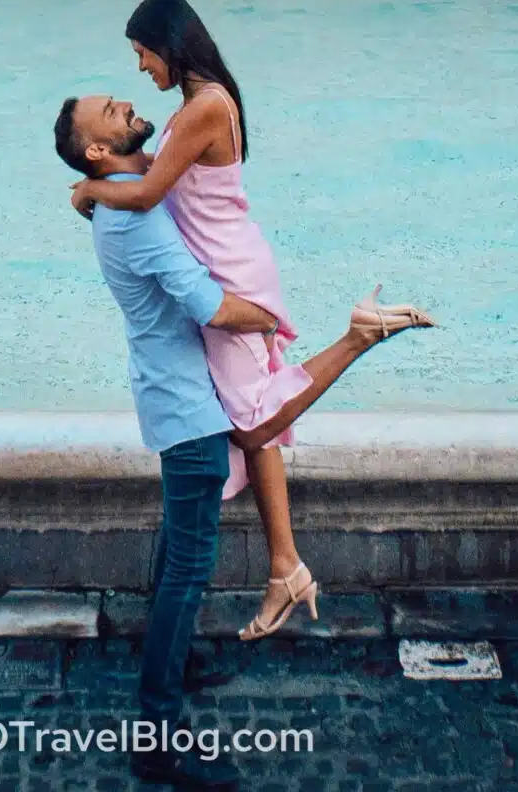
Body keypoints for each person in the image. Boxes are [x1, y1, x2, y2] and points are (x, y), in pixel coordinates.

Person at [57, 45, 432, 774]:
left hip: (171, 401)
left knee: (176, 551)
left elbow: (137, 191)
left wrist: (89, 190)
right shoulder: (137, 221)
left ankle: (176, 662)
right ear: (101, 149)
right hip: (192, 415)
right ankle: (158, 737)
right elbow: (209, 306)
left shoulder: (122, 202)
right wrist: (269, 319)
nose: (129, 104)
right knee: (188, 571)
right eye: (112, 110)